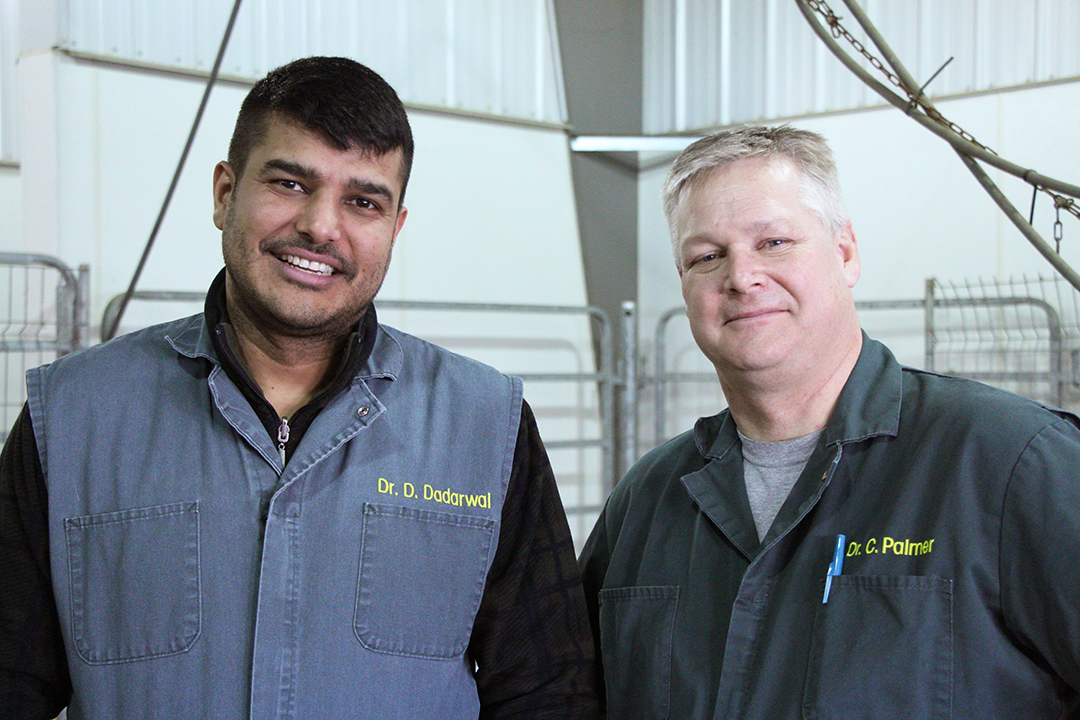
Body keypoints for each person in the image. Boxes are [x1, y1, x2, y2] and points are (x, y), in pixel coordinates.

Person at [0, 56, 598, 720]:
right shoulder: (76, 417)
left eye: (363, 201)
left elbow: (548, 692)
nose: (321, 226)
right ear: (225, 192)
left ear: (394, 228)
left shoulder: (486, 426)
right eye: (289, 182)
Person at [579, 125, 1080, 719]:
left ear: (845, 253)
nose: (741, 277)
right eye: (707, 256)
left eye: (773, 242)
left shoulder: (1010, 463)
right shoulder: (645, 502)